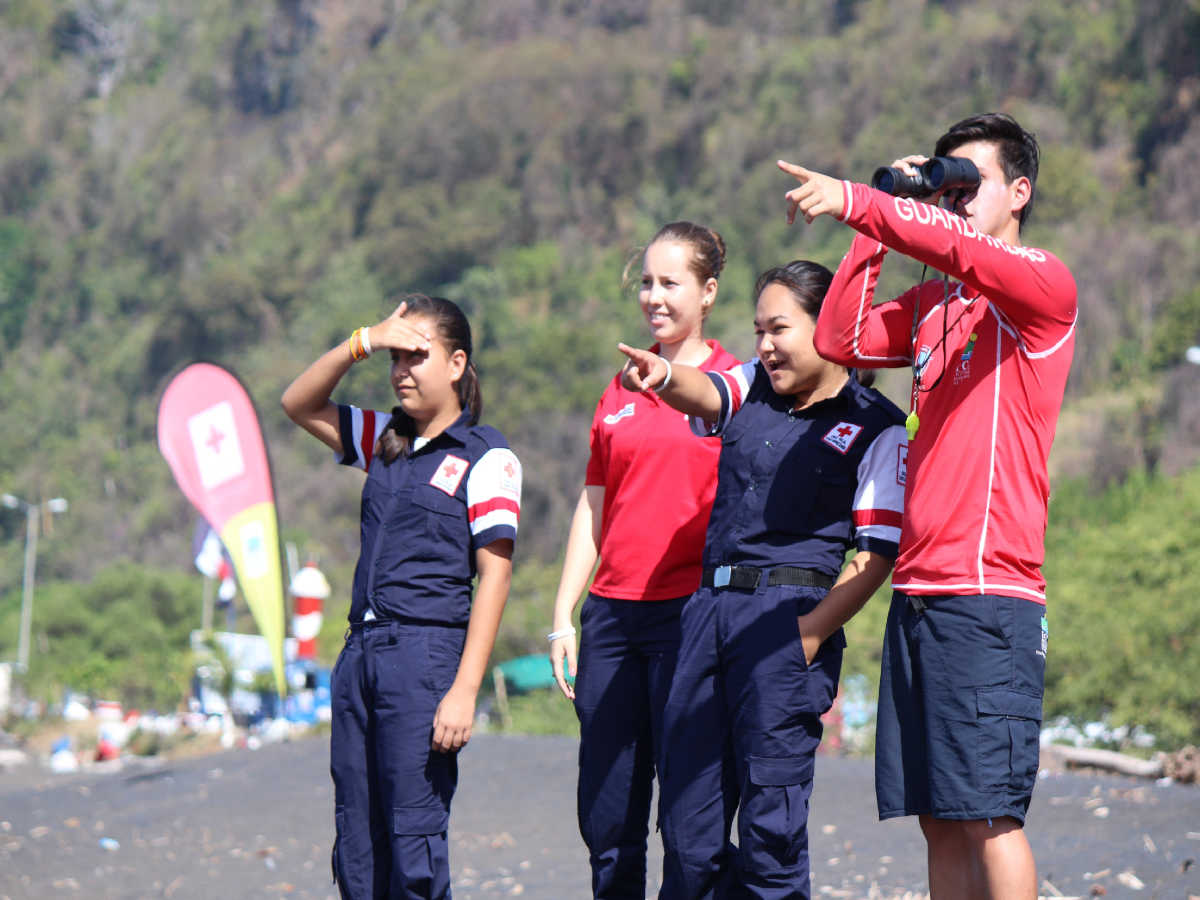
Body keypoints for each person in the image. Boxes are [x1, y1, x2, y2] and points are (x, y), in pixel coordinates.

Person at [779, 112, 1077, 899]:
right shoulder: (938, 309)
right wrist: (874, 222)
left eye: (966, 184)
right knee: (938, 818)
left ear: (1020, 191)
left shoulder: (1042, 285)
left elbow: (959, 248)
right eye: (942, 184)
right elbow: (842, 337)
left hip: (989, 592)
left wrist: (854, 199)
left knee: (990, 816)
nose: (951, 199)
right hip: (917, 590)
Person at [619, 260, 907, 899]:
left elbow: (875, 556)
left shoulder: (878, 427)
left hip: (789, 622)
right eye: (758, 330)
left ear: (830, 326)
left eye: (779, 328)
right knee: (688, 834)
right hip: (708, 615)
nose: (766, 345)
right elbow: (704, 391)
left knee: (771, 838)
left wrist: (807, 637)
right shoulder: (751, 385)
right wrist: (663, 375)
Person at [281, 295, 522, 899]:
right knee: (357, 843)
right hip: (360, 654)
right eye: (394, 358)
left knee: (414, 842)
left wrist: (465, 691)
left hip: (425, 660)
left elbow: (494, 577)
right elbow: (298, 402)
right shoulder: (383, 440)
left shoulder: (486, 458)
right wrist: (364, 338)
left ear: (458, 363)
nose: (402, 371)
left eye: (417, 356)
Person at [548, 221, 740, 899]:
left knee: (691, 827)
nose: (654, 297)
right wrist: (564, 613)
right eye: (647, 283)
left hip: (691, 619)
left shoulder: (731, 387)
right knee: (608, 822)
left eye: (671, 283)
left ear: (708, 292)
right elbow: (593, 503)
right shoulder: (617, 390)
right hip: (611, 622)